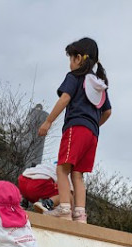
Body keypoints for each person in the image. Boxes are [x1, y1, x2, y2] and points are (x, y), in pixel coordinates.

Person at [37, 37, 111, 223]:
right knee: (78, 174)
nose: (70, 63)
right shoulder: (100, 84)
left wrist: (48, 121)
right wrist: (93, 125)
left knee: (62, 169)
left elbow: (64, 99)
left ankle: (64, 210)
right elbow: (108, 111)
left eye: (71, 59)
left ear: (78, 58)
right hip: (92, 134)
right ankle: (80, 214)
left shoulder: (75, 77)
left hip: (76, 128)